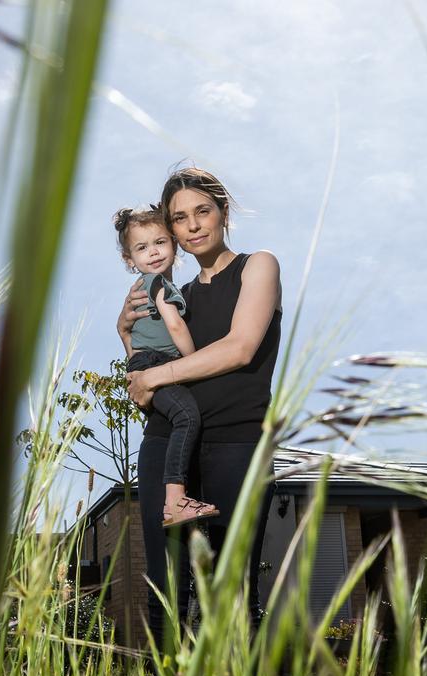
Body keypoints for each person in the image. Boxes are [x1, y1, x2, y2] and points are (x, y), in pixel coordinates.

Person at [117, 167, 282, 647]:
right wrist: (126, 338)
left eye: (202, 211)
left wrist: (156, 375)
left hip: (236, 444)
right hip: (169, 445)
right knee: (165, 588)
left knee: (230, 588)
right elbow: (141, 381)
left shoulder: (258, 266)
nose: (192, 225)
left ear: (223, 212)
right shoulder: (175, 298)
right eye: (179, 218)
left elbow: (240, 347)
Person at [112, 205, 219, 528]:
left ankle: (177, 498)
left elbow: (133, 336)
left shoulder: (146, 286)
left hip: (145, 362)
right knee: (187, 416)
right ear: (129, 259)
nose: (154, 252)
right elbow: (174, 326)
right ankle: (175, 500)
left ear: (173, 243)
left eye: (159, 242)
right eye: (142, 248)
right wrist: (192, 361)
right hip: (157, 363)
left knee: (177, 417)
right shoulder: (158, 285)